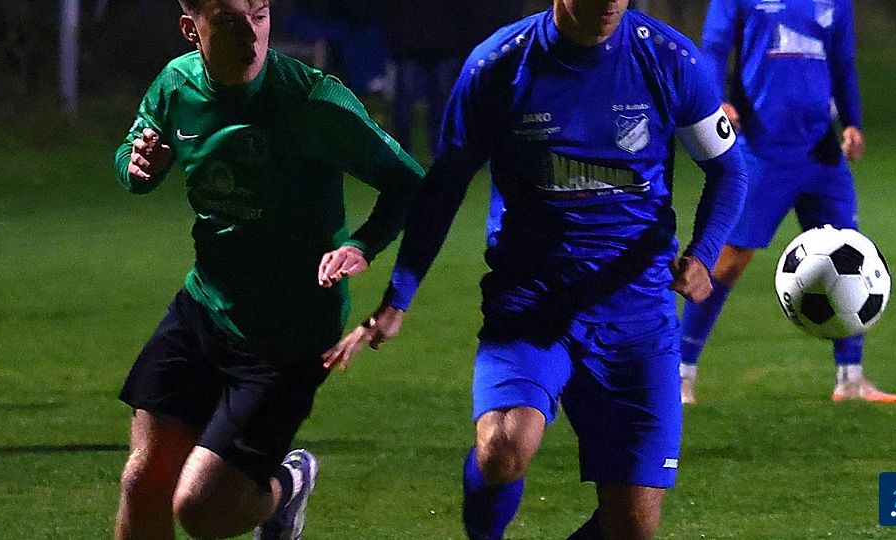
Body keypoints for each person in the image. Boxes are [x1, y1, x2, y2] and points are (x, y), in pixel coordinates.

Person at [324, 1, 747, 537]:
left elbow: (728, 170)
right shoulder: (499, 64)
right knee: (502, 449)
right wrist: (398, 298)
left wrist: (704, 255)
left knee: (633, 527)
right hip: (528, 299)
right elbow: (444, 186)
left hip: (636, 308)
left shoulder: (670, 59)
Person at [111, 1, 424, 538]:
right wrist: (139, 167)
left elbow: (412, 185)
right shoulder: (176, 85)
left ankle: (287, 486)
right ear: (191, 30)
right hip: (205, 307)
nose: (251, 36)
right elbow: (132, 157)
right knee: (143, 480)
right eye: (229, 22)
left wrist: (364, 245)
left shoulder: (313, 101)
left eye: (259, 15)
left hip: (289, 335)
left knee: (201, 510)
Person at [677, 0, 896, 405]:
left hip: (821, 152)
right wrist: (716, 102)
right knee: (729, 260)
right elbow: (713, 49)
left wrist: (852, 121)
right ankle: (680, 373)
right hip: (761, 150)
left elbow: (843, 61)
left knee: (850, 256)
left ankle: (851, 380)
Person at [384, 0, 525, 155]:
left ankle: (437, 153)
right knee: (409, 106)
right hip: (419, 47)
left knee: (440, 107)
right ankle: (405, 152)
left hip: (439, 47)